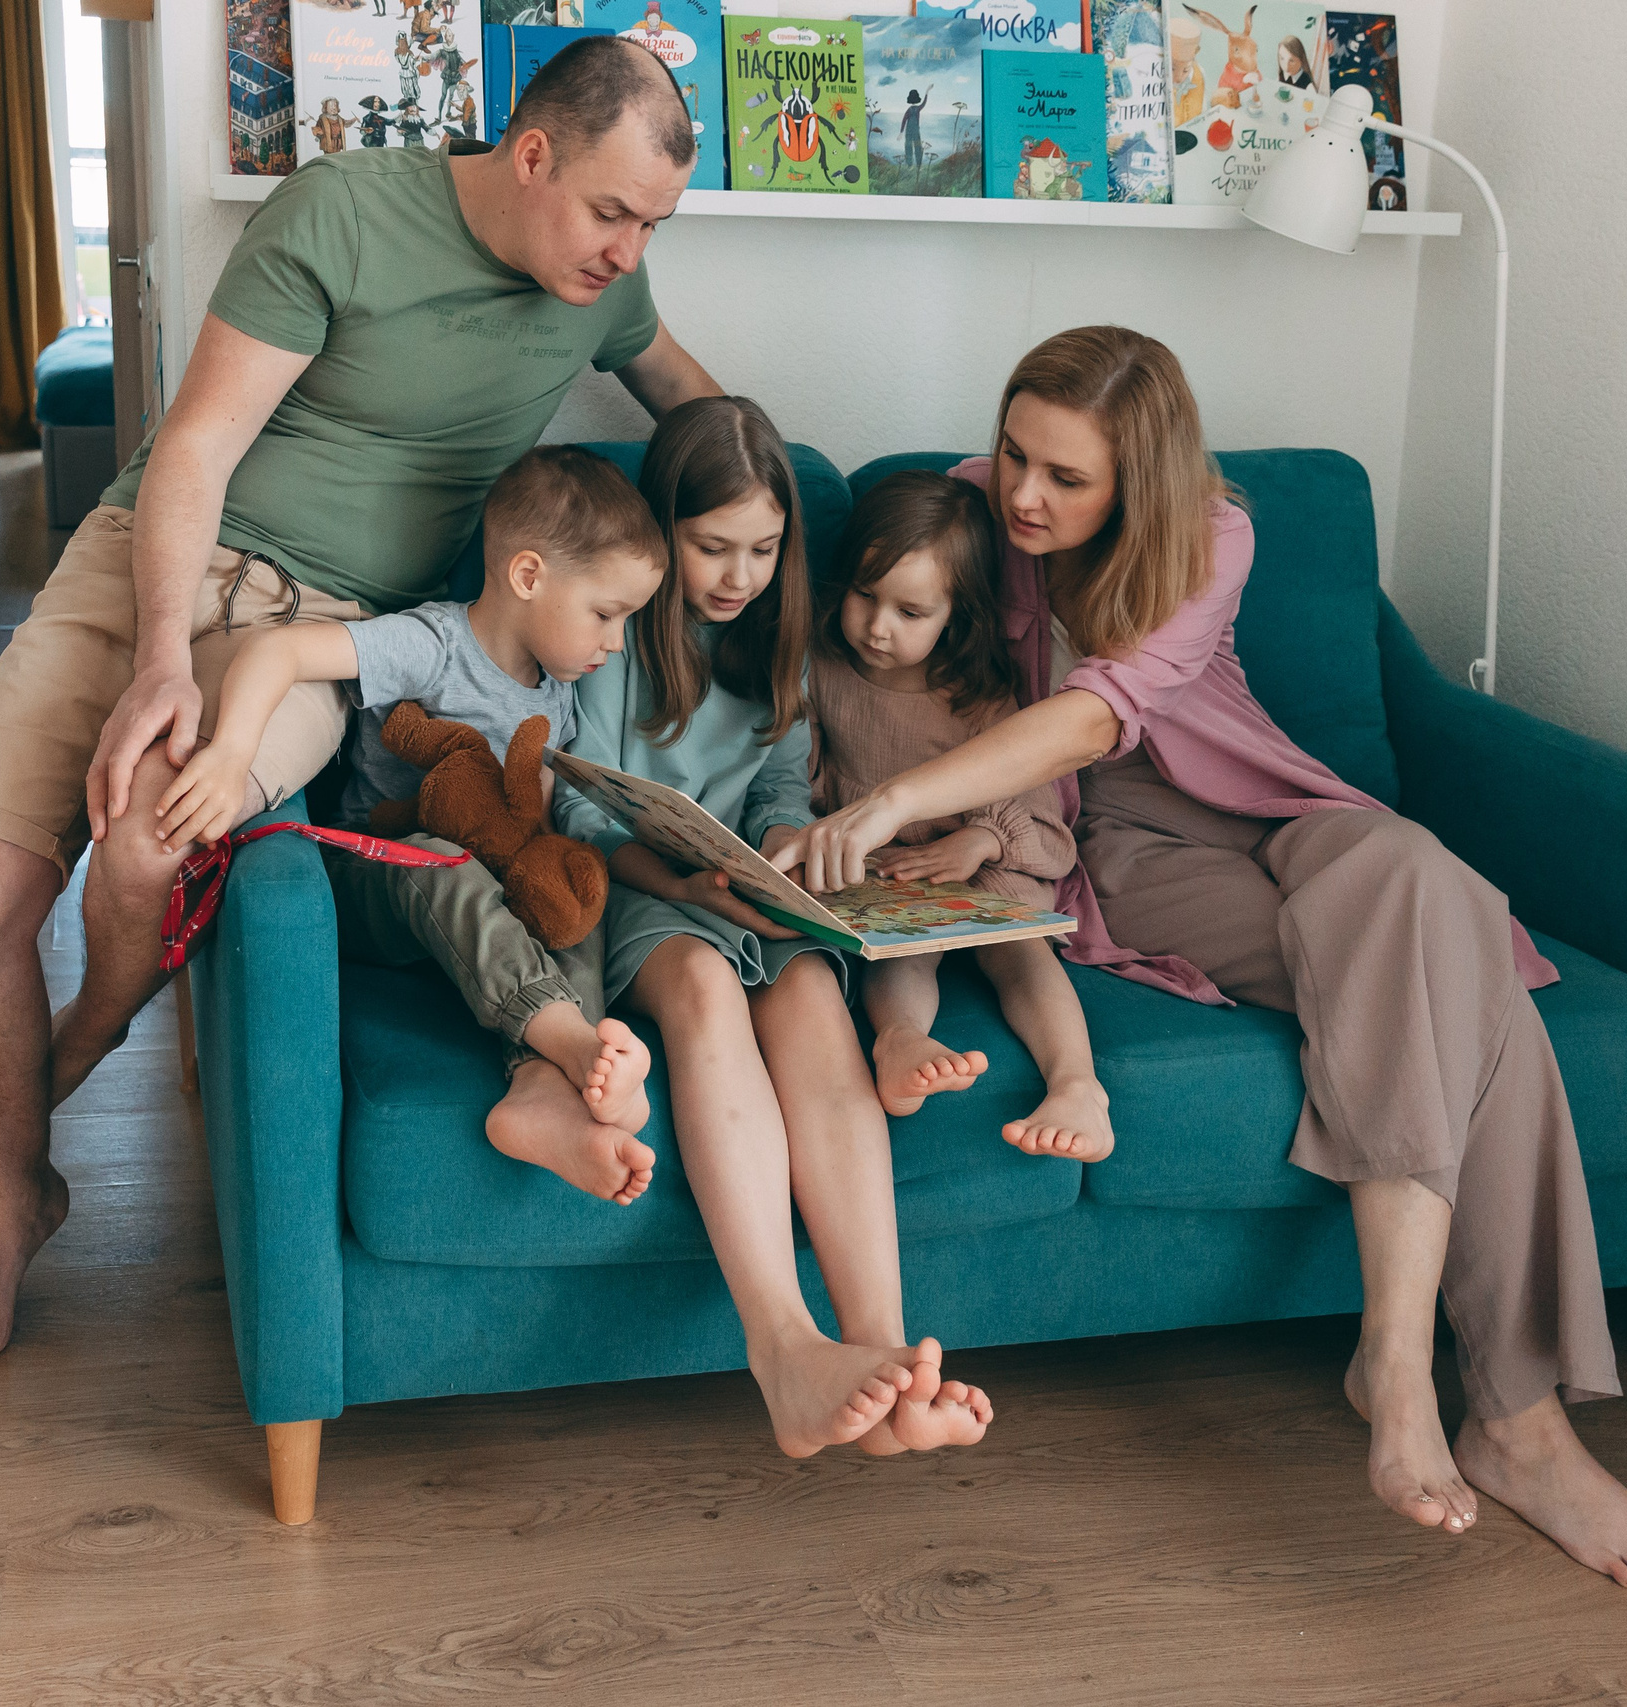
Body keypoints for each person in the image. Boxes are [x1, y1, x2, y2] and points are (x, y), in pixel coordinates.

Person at [772, 326, 1627, 1602]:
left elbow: (1104, 706)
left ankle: (1395, 1359)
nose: (1024, 494)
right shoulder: (969, 513)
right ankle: (1517, 1422)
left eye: (1066, 477)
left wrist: (892, 810)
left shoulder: (1214, 534)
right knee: (1461, 980)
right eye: (1015, 454)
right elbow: (1013, 728)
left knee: (1413, 878)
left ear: (1140, 482)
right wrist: (941, 818)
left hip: (1267, 807)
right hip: (1119, 842)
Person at [0, 37, 721, 1386]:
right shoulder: (342, 210)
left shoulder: (598, 294)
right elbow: (202, 443)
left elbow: (691, 394)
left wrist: (787, 533)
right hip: (152, 560)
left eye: (654, 224)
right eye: (612, 212)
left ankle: (80, 1043)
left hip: (313, 634)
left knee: (152, 840)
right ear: (531, 155)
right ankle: (19, 1196)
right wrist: (163, 650)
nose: (629, 252)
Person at [551, 397, 990, 1458]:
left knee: (805, 996)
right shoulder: (614, 631)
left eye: (763, 548)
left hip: (744, 886)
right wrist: (683, 881)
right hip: (642, 888)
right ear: (662, 533)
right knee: (705, 988)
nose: (738, 575)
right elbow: (572, 807)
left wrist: (788, 843)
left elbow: (781, 780)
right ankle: (782, 1347)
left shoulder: (775, 643)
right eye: (711, 548)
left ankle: (882, 1352)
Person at [153, 445, 667, 1205]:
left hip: (488, 915)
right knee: (438, 859)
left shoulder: (560, 692)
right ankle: (571, 1040)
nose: (617, 643)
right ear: (529, 577)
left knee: (571, 884)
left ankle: (537, 1090)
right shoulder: (433, 645)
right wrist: (231, 751)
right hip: (380, 883)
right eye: (606, 613)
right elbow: (278, 648)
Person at [809, 469, 1110, 1159]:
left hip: (980, 862)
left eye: (910, 613)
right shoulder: (822, 669)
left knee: (1022, 953)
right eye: (864, 595)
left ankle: (1077, 1084)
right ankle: (900, 1040)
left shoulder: (975, 690)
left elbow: (1033, 796)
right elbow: (802, 778)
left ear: (957, 614)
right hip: (890, 875)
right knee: (901, 955)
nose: (878, 628)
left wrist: (981, 839)